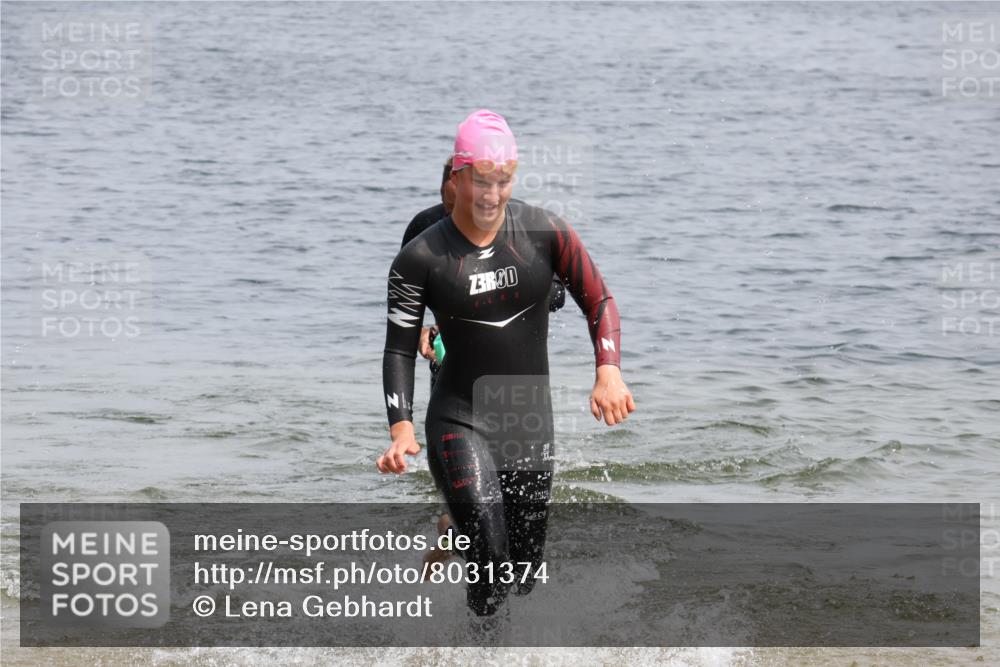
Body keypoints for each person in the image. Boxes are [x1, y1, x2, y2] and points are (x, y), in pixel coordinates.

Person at [378, 110, 635, 619]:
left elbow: (599, 299)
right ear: (456, 177)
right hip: (458, 417)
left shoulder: (542, 230)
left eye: (503, 179)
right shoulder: (420, 252)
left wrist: (608, 369)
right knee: (493, 563)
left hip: (526, 422)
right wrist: (401, 427)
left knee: (522, 576)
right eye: (480, 180)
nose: (492, 194)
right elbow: (398, 347)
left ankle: (461, 552)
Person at [402, 158, 567, 390]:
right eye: (448, 209)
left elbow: (558, 294)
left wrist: (494, 298)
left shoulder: (526, 226)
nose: (454, 224)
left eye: (463, 209)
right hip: (450, 360)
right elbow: (406, 309)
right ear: (443, 191)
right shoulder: (424, 228)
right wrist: (420, 332)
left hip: (513, 357)